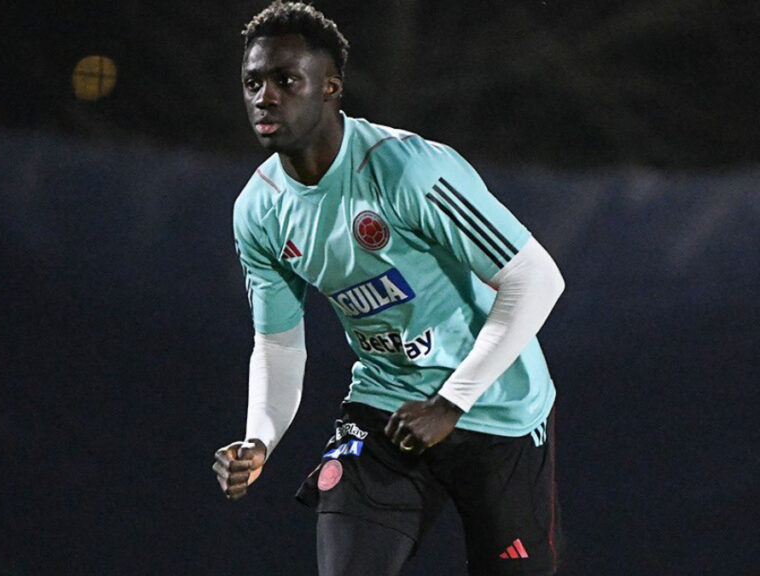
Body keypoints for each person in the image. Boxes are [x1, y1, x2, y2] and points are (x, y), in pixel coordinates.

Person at [212, 2, 566, 575]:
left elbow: (537, 278)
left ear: (330, 88)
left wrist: (451, 402)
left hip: (497, 407)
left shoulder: (406, 169)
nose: (265, 96)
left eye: (286, 80)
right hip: (387, 407)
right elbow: (278, 344)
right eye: (253, 81)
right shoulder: (259, 211)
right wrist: (260, 440)